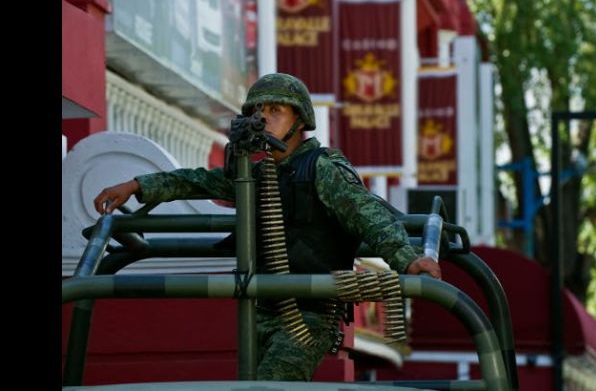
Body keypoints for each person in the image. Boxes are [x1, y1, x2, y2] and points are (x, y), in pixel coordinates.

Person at [93, 73, 441, 381]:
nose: (263, 118)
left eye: (276, 110)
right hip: (261, 307)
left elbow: (367, 213)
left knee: (270, 384)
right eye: (258, 111)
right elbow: (199, 181)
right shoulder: (257, 173)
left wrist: (407, 260)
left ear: (298, 119)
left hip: (308, 311)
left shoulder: (322, 167)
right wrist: (138, 186)